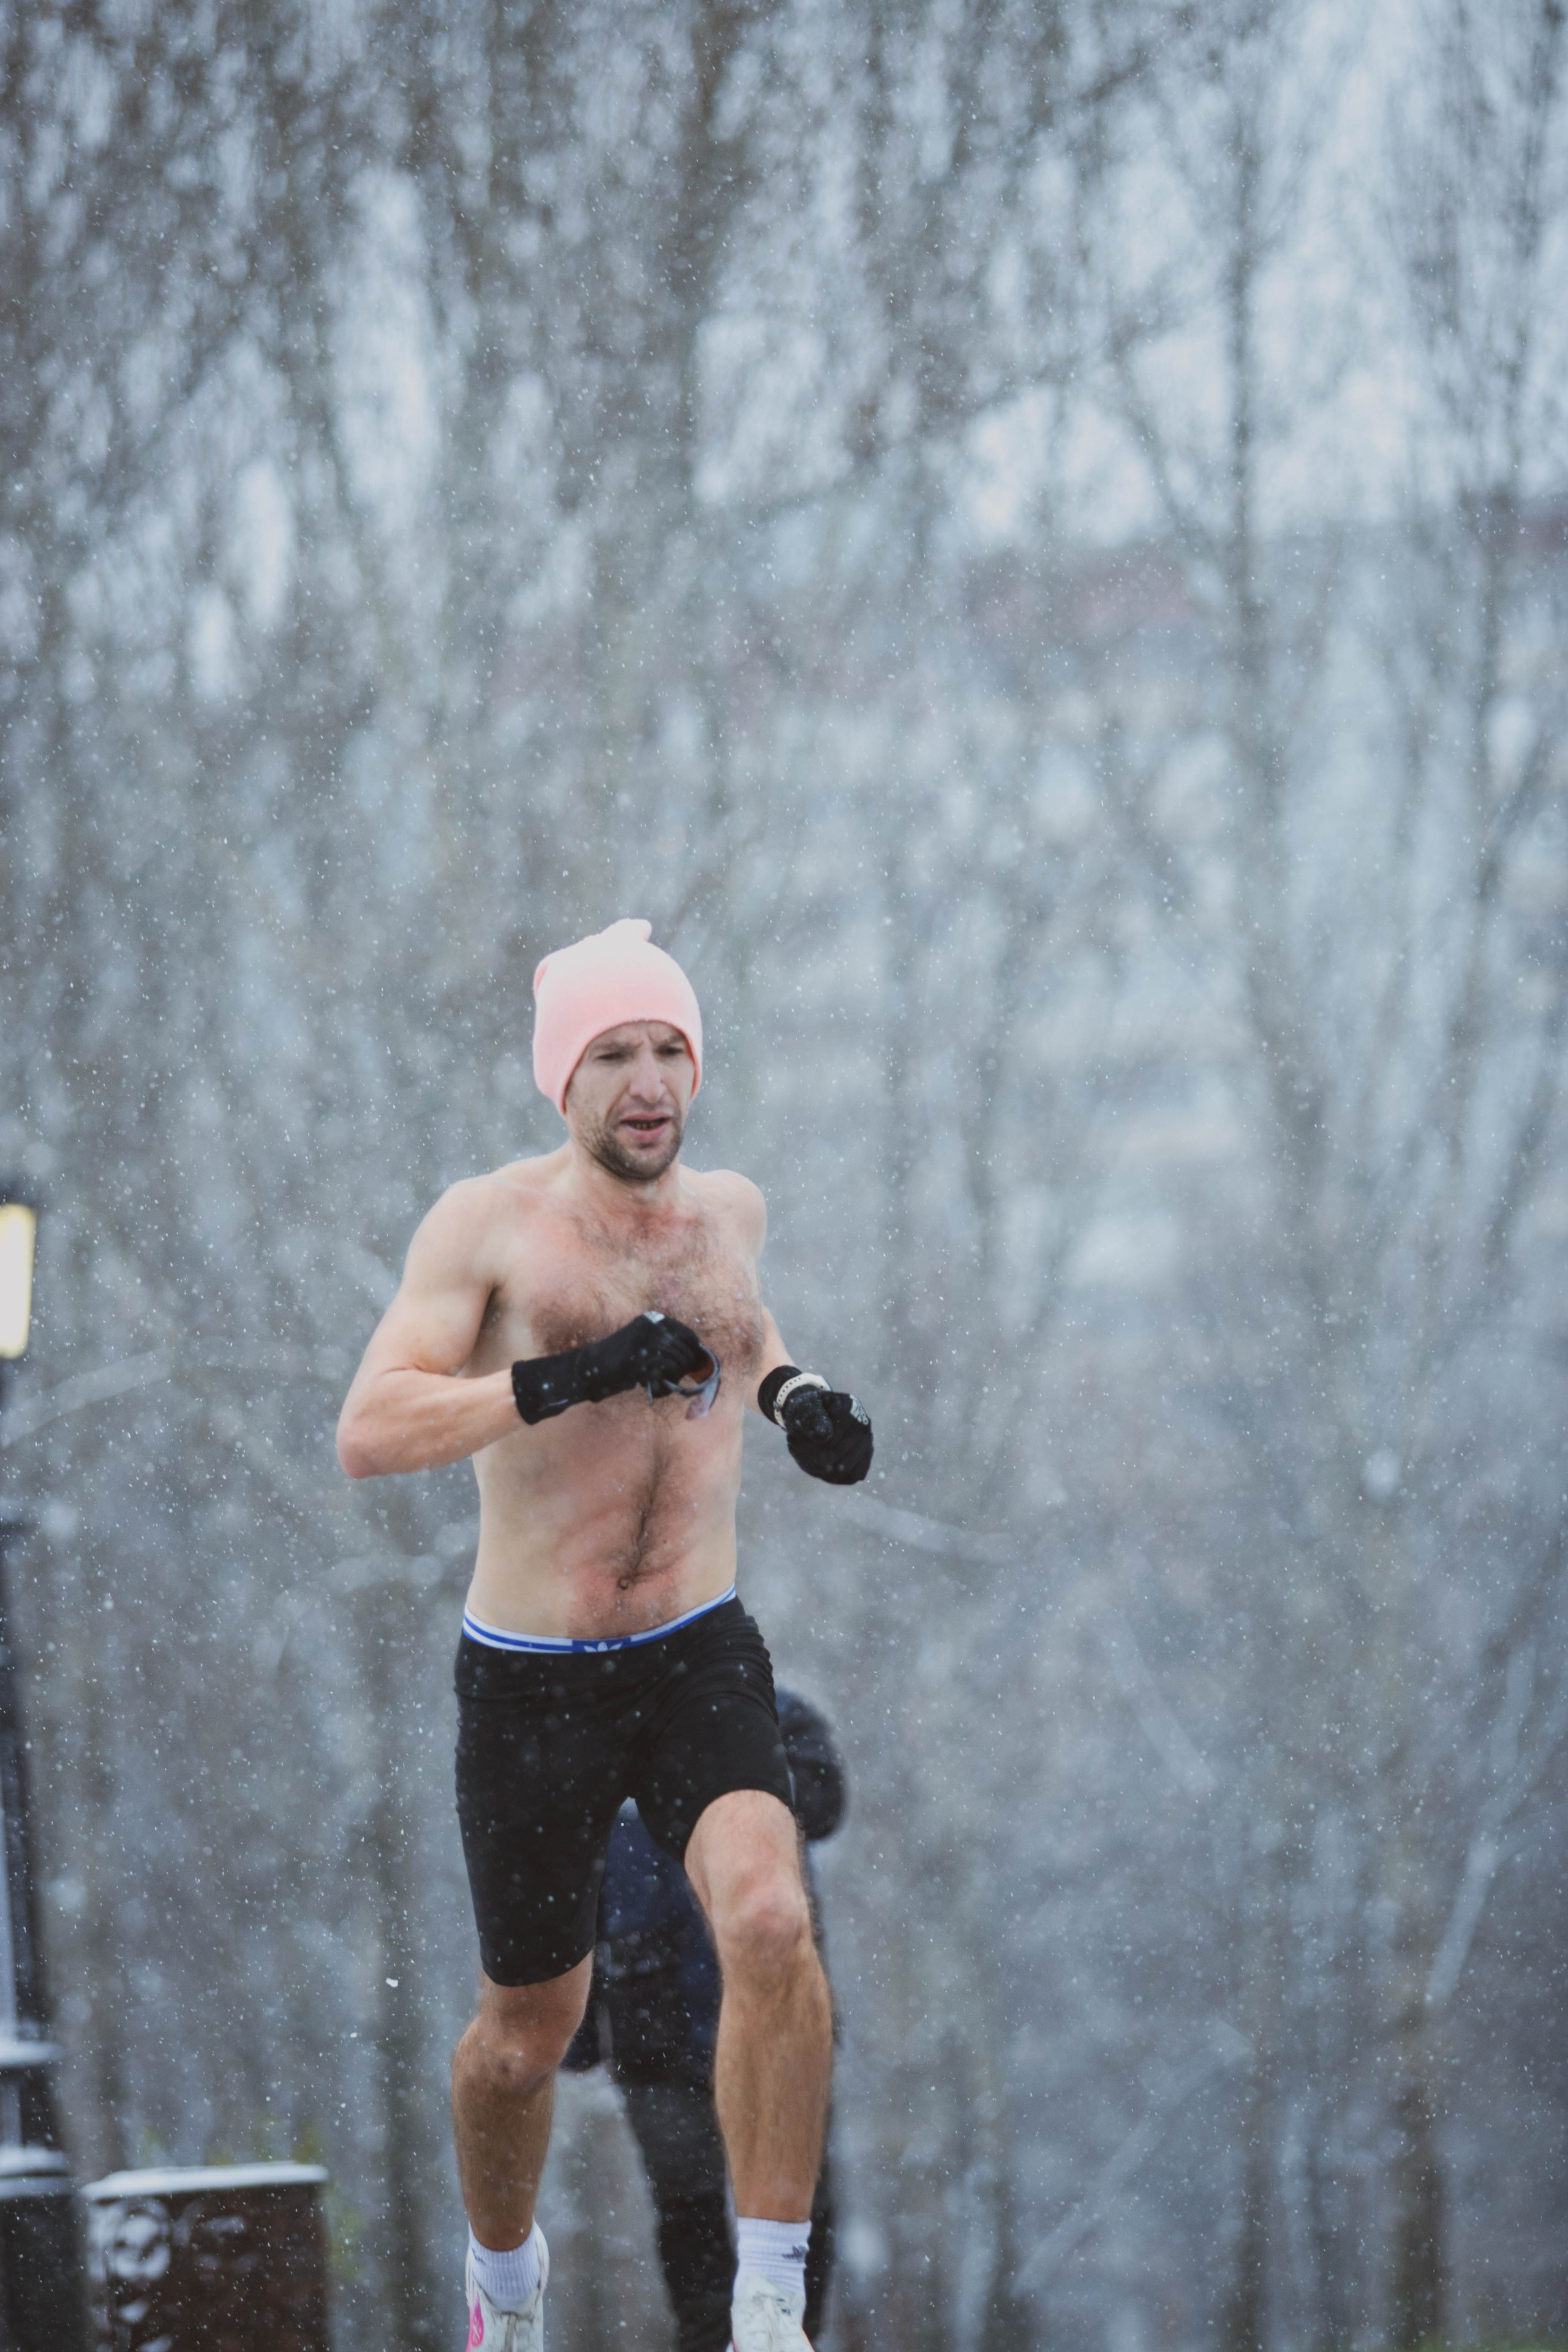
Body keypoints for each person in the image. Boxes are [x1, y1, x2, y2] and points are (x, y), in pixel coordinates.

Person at [335, 919, 873, 2352]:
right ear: (559, 1081)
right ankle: (502, 2288)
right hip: (532, 1681)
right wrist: (572, 1372)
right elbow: (370, 1427)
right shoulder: (489, 1224)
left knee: (768, 1914)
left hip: (696, 1642)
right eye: (613, 1053)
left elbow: (744, 1338)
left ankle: (770, 2296)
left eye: (668, 1049)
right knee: (521, 2035)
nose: (647, 1079)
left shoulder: (728, 1214)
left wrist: (798, 1397)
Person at [561, 1687, 847, 2350]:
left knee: (800, 2203)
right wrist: (572, 2025)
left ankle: (796, 2337)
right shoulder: (592, 1728)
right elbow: (566, 1884)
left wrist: (724, 1764)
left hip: (780, 2019)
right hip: (650, 2025)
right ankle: (707, 2339)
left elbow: (825, 1803)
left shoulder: (770, 1709)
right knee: (687, 2208)